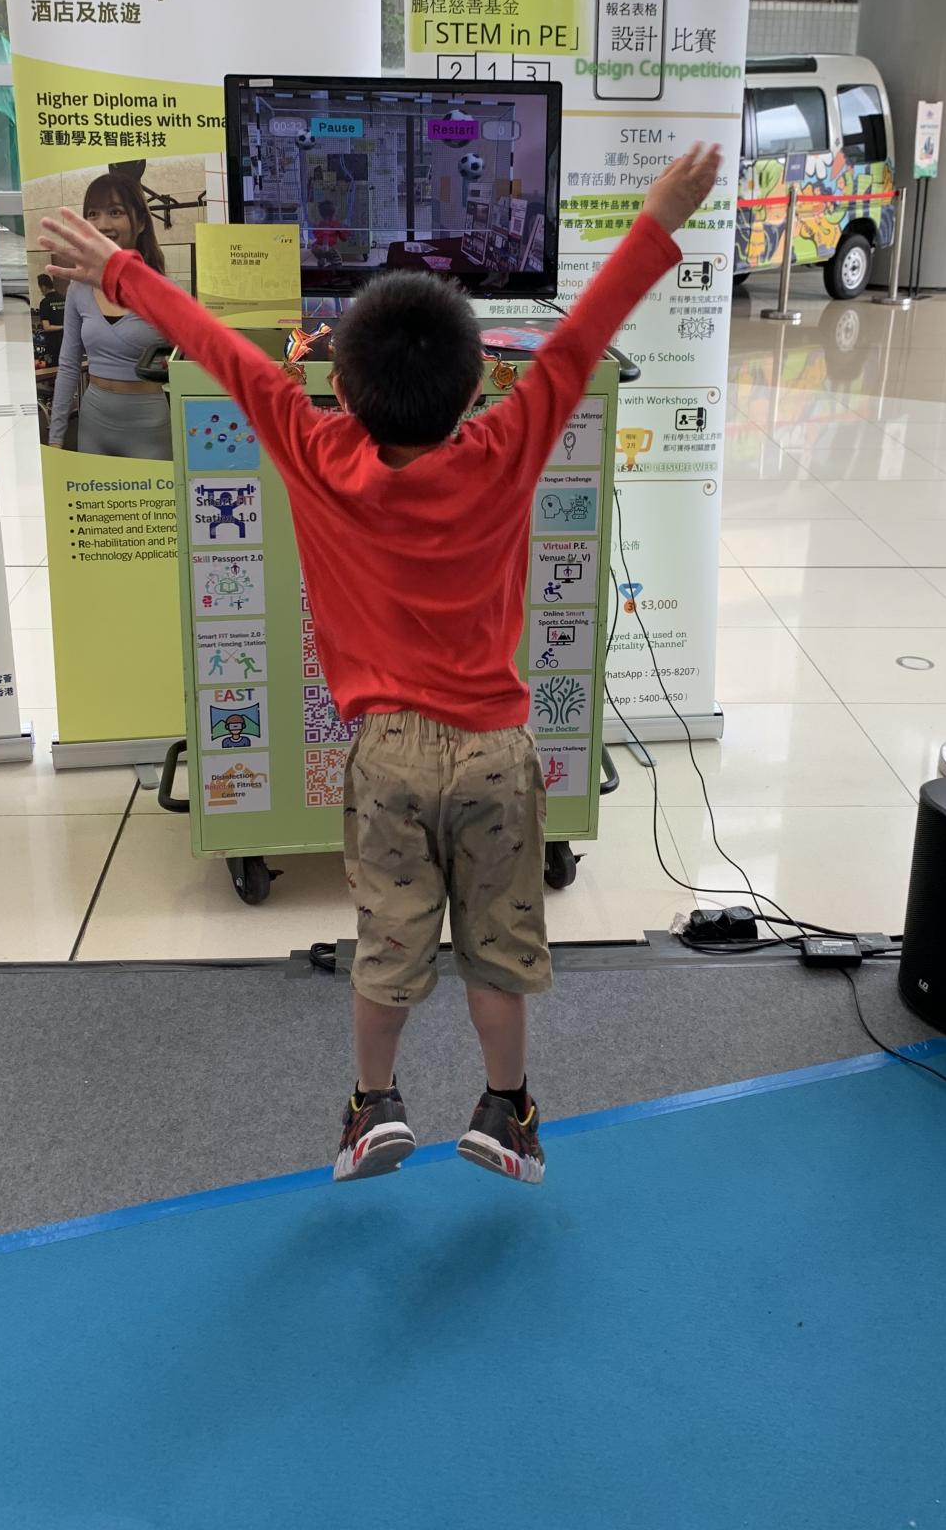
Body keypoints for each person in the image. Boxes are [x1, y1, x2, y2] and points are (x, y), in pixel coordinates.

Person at [38, 142, 720, 1188]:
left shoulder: (317, 451)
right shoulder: (504, 449)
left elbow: (221, 351)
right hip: (496, 753)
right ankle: (506, 1112)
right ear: (474, 386)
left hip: (389, 757)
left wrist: (119, 272)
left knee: (387, 944)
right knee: (500, 945)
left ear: (345, 390)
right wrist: (660, 215)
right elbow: (582, 337)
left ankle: (373, 1108)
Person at [48, 174, 173, 459]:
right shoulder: (78, 291)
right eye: (93, 214)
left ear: (141, 222)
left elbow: (194, 364)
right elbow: (68, 365)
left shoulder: (166, 292)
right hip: (93, 422)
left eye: (115, 212)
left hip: (148, 425)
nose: (102, 224)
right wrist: (55, 438)